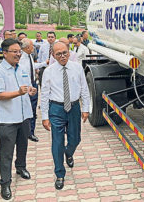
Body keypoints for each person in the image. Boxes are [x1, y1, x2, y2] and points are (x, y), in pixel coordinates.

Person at [0, 38, 37, 200]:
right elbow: (0, 95)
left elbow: (26, 87)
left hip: (24, 116)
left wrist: (30, 90)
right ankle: (5, 183)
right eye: (15, 51)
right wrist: (18, 92)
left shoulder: (22, 68)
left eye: (19, 51)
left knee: (23, 146)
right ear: (5, 53)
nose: (18, 54)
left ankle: (21, 167)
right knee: (6, 153)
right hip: (8, 119)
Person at [40, 42, 90, 190]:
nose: (62, 56)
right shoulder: (48, 71)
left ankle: (68, 153)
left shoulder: (77, 68)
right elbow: (44, 95)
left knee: (75, 139)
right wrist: (44, 116)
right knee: (57, 142)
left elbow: (84, 89)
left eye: (64, 53)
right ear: (53, 56)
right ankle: (60, 174)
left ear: (69, 53)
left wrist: (86, 108)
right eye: (58, 54)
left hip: (74, 107)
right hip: (56, 109)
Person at [19, 38, 40, 142]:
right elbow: (23, 75)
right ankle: (28, 132)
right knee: (28, 111)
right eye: (32, 46)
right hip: (27, 89)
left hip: (33, 86)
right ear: (27, 47)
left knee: (33, 110)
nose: (33, 48)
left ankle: (31, 132)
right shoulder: (21, 59)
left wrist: (44, 63)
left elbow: (33, 67)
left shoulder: (29, 56)